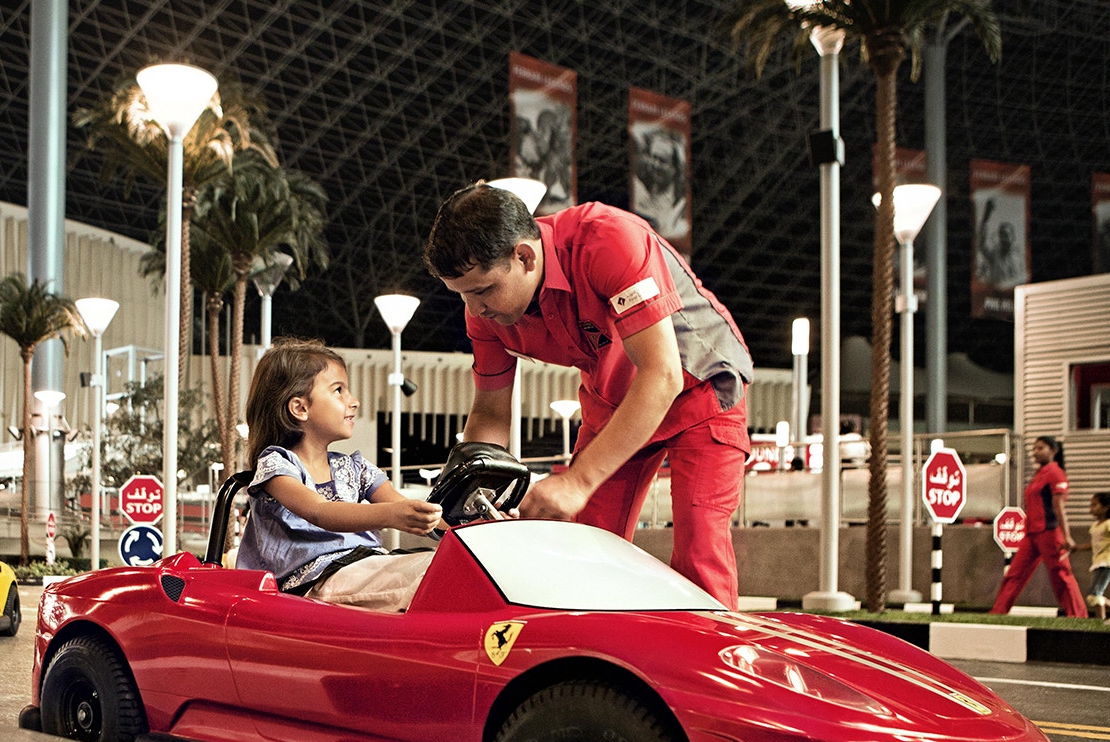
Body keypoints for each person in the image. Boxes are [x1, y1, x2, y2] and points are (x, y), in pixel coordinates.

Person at [423, 182, 753, 607]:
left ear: (525, 256)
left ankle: (708, 666)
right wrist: (469, 497)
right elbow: (489, 412)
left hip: (700, 389)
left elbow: (662, 375)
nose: (475, 309)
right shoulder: (484, 315)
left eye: (483, 290)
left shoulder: (608, 239)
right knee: (587, 545)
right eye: (462, 295)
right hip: (612, 402)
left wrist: (577, 481)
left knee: (699, 541)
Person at [235, 338, 442, 612]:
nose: (353, 401)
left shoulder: (355, 468)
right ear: (300, 408)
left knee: (453, 568)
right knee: (430, 576)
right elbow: (320, 512)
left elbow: (407, 506)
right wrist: (393, 514)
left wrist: (474, 526)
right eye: (338, 390)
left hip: (364, 569)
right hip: (312, 583)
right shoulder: (278, 466)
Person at [991, 437, 1087, 617]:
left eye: (1040, 448)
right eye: (1034, 448)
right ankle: (998, 612)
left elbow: (1059, 507)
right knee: (1014, 574)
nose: (1035, 452)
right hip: (1031, 535)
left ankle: (1078, 615)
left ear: (1053, 450)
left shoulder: (1056, 473)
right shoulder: (1039, 474)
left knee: (1061, 575)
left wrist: (1067, 536)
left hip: (1049, 533)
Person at [1085, 491, 1110, 620]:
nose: (1091, 508)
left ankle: (1100, 622)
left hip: (1106, 562)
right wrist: (1076, 548)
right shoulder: (1095, 526)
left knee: (1095, 594)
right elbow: (1094, 544)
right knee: (1093, 596)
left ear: (1106, 507)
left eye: (1095, 505)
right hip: (1097, 562)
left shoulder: (1108, 524)